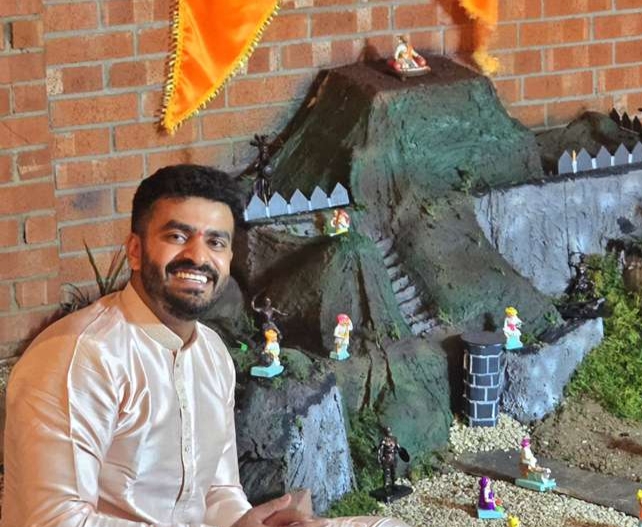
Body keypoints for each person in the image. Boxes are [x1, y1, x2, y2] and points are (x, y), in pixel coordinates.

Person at [2, 165, 408, 527]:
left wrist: (254, 523)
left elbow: (218, 493)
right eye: (177, 236)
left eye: (215, 242)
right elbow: (53, 520)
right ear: (135, 251)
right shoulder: (79, 357)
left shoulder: (211, 354)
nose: (198, 256)